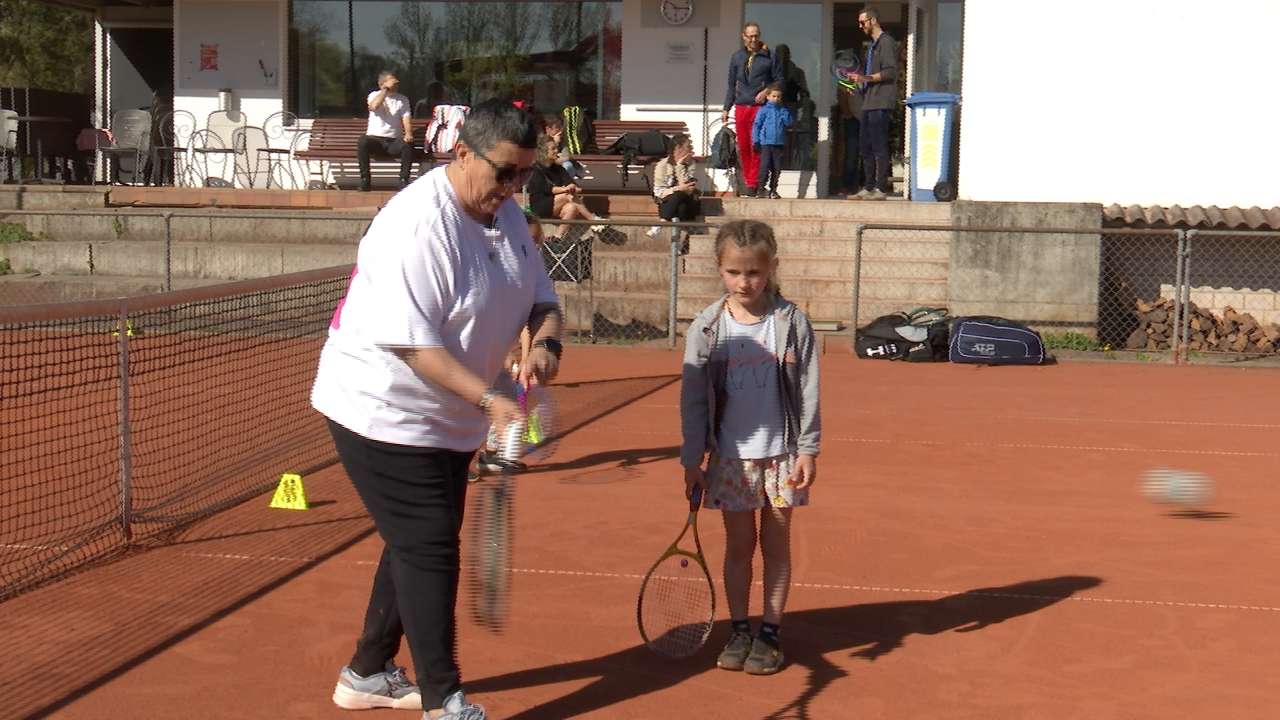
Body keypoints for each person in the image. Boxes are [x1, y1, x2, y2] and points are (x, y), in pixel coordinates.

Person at [312, 99, 563, 720]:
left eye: (524, 174)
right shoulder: (417, 224)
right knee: (430, 548)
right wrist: (490, 398)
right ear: (462, 153)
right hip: (383, 408)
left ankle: (367, 673)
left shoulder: (506, 214)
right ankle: (444, 701)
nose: (513, 187)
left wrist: (545, 346)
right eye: (504, 172)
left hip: (452, 418)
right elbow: (413, 346)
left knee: (417, 541)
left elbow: (543, 301)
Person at [680, 219, 820, 676]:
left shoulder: (792, 323)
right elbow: (693, 399)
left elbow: (807, 390)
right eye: (734, 272)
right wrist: (692, 458)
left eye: (754, 273)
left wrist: (807, 449)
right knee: (739, 546)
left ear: (771, 267)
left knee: (776, 545)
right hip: (730, 460)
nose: (744, 282)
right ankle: (740, 629)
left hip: (781, 457)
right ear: (719, 269)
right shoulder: (707, 327)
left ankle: (770, 632)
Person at [722, 22, 783, 198]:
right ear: (744, 36)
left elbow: (780, 80)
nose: (753, 39)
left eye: (756, 35)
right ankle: (749, 182)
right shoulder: (737, 57)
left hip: (760, 108)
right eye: (750, 36)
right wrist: (726, 108)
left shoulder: (769, 56)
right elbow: (731, 85)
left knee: (756, 144)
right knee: (744, 146)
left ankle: (756, 183)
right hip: (742, 106)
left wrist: (766, 91)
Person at [850, 8, 898, 200]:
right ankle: (868, 186)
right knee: (865, 147)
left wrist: (865, 78)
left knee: (879, 145)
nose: (860, 26)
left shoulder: (886, 42)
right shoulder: (872, 46)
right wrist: (858, 85)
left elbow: (890, 72)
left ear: (873, 20)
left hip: (881, 102)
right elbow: (869, 76)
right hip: (868, 102)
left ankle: (881, 188)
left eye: (863, 22)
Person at [525, 132, 605, 241]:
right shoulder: (536, 169)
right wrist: (566, 189)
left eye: (556, 148)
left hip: (556, 204)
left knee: (572, 207)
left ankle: (557, 238)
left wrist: (572, 186)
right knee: (568, 195)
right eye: (553, 149)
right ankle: (592, 220)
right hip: (540, 206)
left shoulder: (558, 168)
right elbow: (548, 189)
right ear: (543, 152)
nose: (556, 151)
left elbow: (574, 186)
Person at [358, 70, 416, 192]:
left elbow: (406, 119)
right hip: (375, 141)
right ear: (382, 83)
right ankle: (365, 180)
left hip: (393, 142)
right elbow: (374, 106)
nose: (396, 83)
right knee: (363, 141)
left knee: (407, 146)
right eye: (392, 81)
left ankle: (403, 180)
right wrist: (385, 90)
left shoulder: (402, 99)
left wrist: (408, 134)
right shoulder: (373, 95)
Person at [647, 133, 701, 238]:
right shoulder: (662, 165)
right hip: (668, 201)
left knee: (680, 195)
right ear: (678, 148)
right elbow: (659, 192)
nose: (691, 149)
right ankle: (678, 244)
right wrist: (679, 188)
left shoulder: (691, 163)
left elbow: (687, 188)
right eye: (688, 146)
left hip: (686, 200)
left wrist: (680, 165)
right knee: (680, 204)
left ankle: (659, 225)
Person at [751, 83, 793, 200]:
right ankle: (760, 189)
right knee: (764, 167)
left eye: (778, 97)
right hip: (765, 143)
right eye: (774, 96)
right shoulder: (764, 110)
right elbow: (757, 125)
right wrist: (756, 141)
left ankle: (773, 190)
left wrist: (785, 112)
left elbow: (789, 123)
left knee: (777, 168)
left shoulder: (782, 110)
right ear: (768, 97)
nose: (776, 99)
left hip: (778, 143)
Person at [836, 75, 864, 195]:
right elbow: (842, 91)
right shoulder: (849, 77)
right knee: (851, 153)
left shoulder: (869, 74)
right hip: (853, 119)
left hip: (867, 119)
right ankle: (847, 186)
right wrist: (847, 112)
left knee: (867, 153)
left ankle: (865, 185)